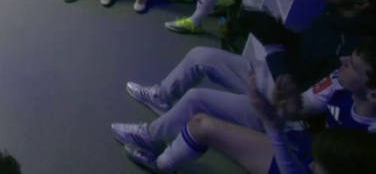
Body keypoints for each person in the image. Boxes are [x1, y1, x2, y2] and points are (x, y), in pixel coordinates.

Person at [109, 0, 376, 160]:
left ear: (362, 3)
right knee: (200, 55)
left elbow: (297, 91)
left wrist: (273, 44)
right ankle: (161, 98)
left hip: (292, 112)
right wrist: (271, 27)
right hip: (280, 75)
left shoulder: (354, 49)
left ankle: (151, 138)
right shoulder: (335, 13)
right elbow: (302, 51)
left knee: (197, 99)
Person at [118, 38, 376, 173]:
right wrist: (283, 104)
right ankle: (154, 142)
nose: (342, 60)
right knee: (198, 101)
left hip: (312, 163)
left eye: (353, 65)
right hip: (308, 147)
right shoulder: (341, 81)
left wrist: (274, 126)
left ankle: (162, 164)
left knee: (201, 125)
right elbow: (302, 110)